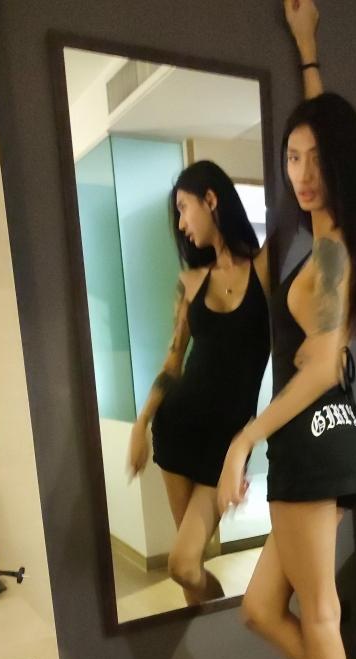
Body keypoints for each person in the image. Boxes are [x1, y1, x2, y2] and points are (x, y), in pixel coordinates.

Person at [217, 0, 356, 659]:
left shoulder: (330, 257)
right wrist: (307, 48)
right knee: (262, 609)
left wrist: (243, 438)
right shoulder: (334, 236)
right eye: (292, 156)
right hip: (328, 441)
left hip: (314, 442)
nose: (301, 171)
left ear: (340, 165)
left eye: (315, 158)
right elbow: (325, 134)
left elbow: (322, 368)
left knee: (319, 613)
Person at [127, 161, 271, 606]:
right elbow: (173, 362)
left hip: (225, 446)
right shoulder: (190, 283)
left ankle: (224, 620)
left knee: (183, 564)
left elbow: (297, 209)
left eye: (183, 208)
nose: (180, 223)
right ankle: (219, 634)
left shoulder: (264, 268)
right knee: (190, 575)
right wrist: (140, 424)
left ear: (211, 199)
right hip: (176, 428)